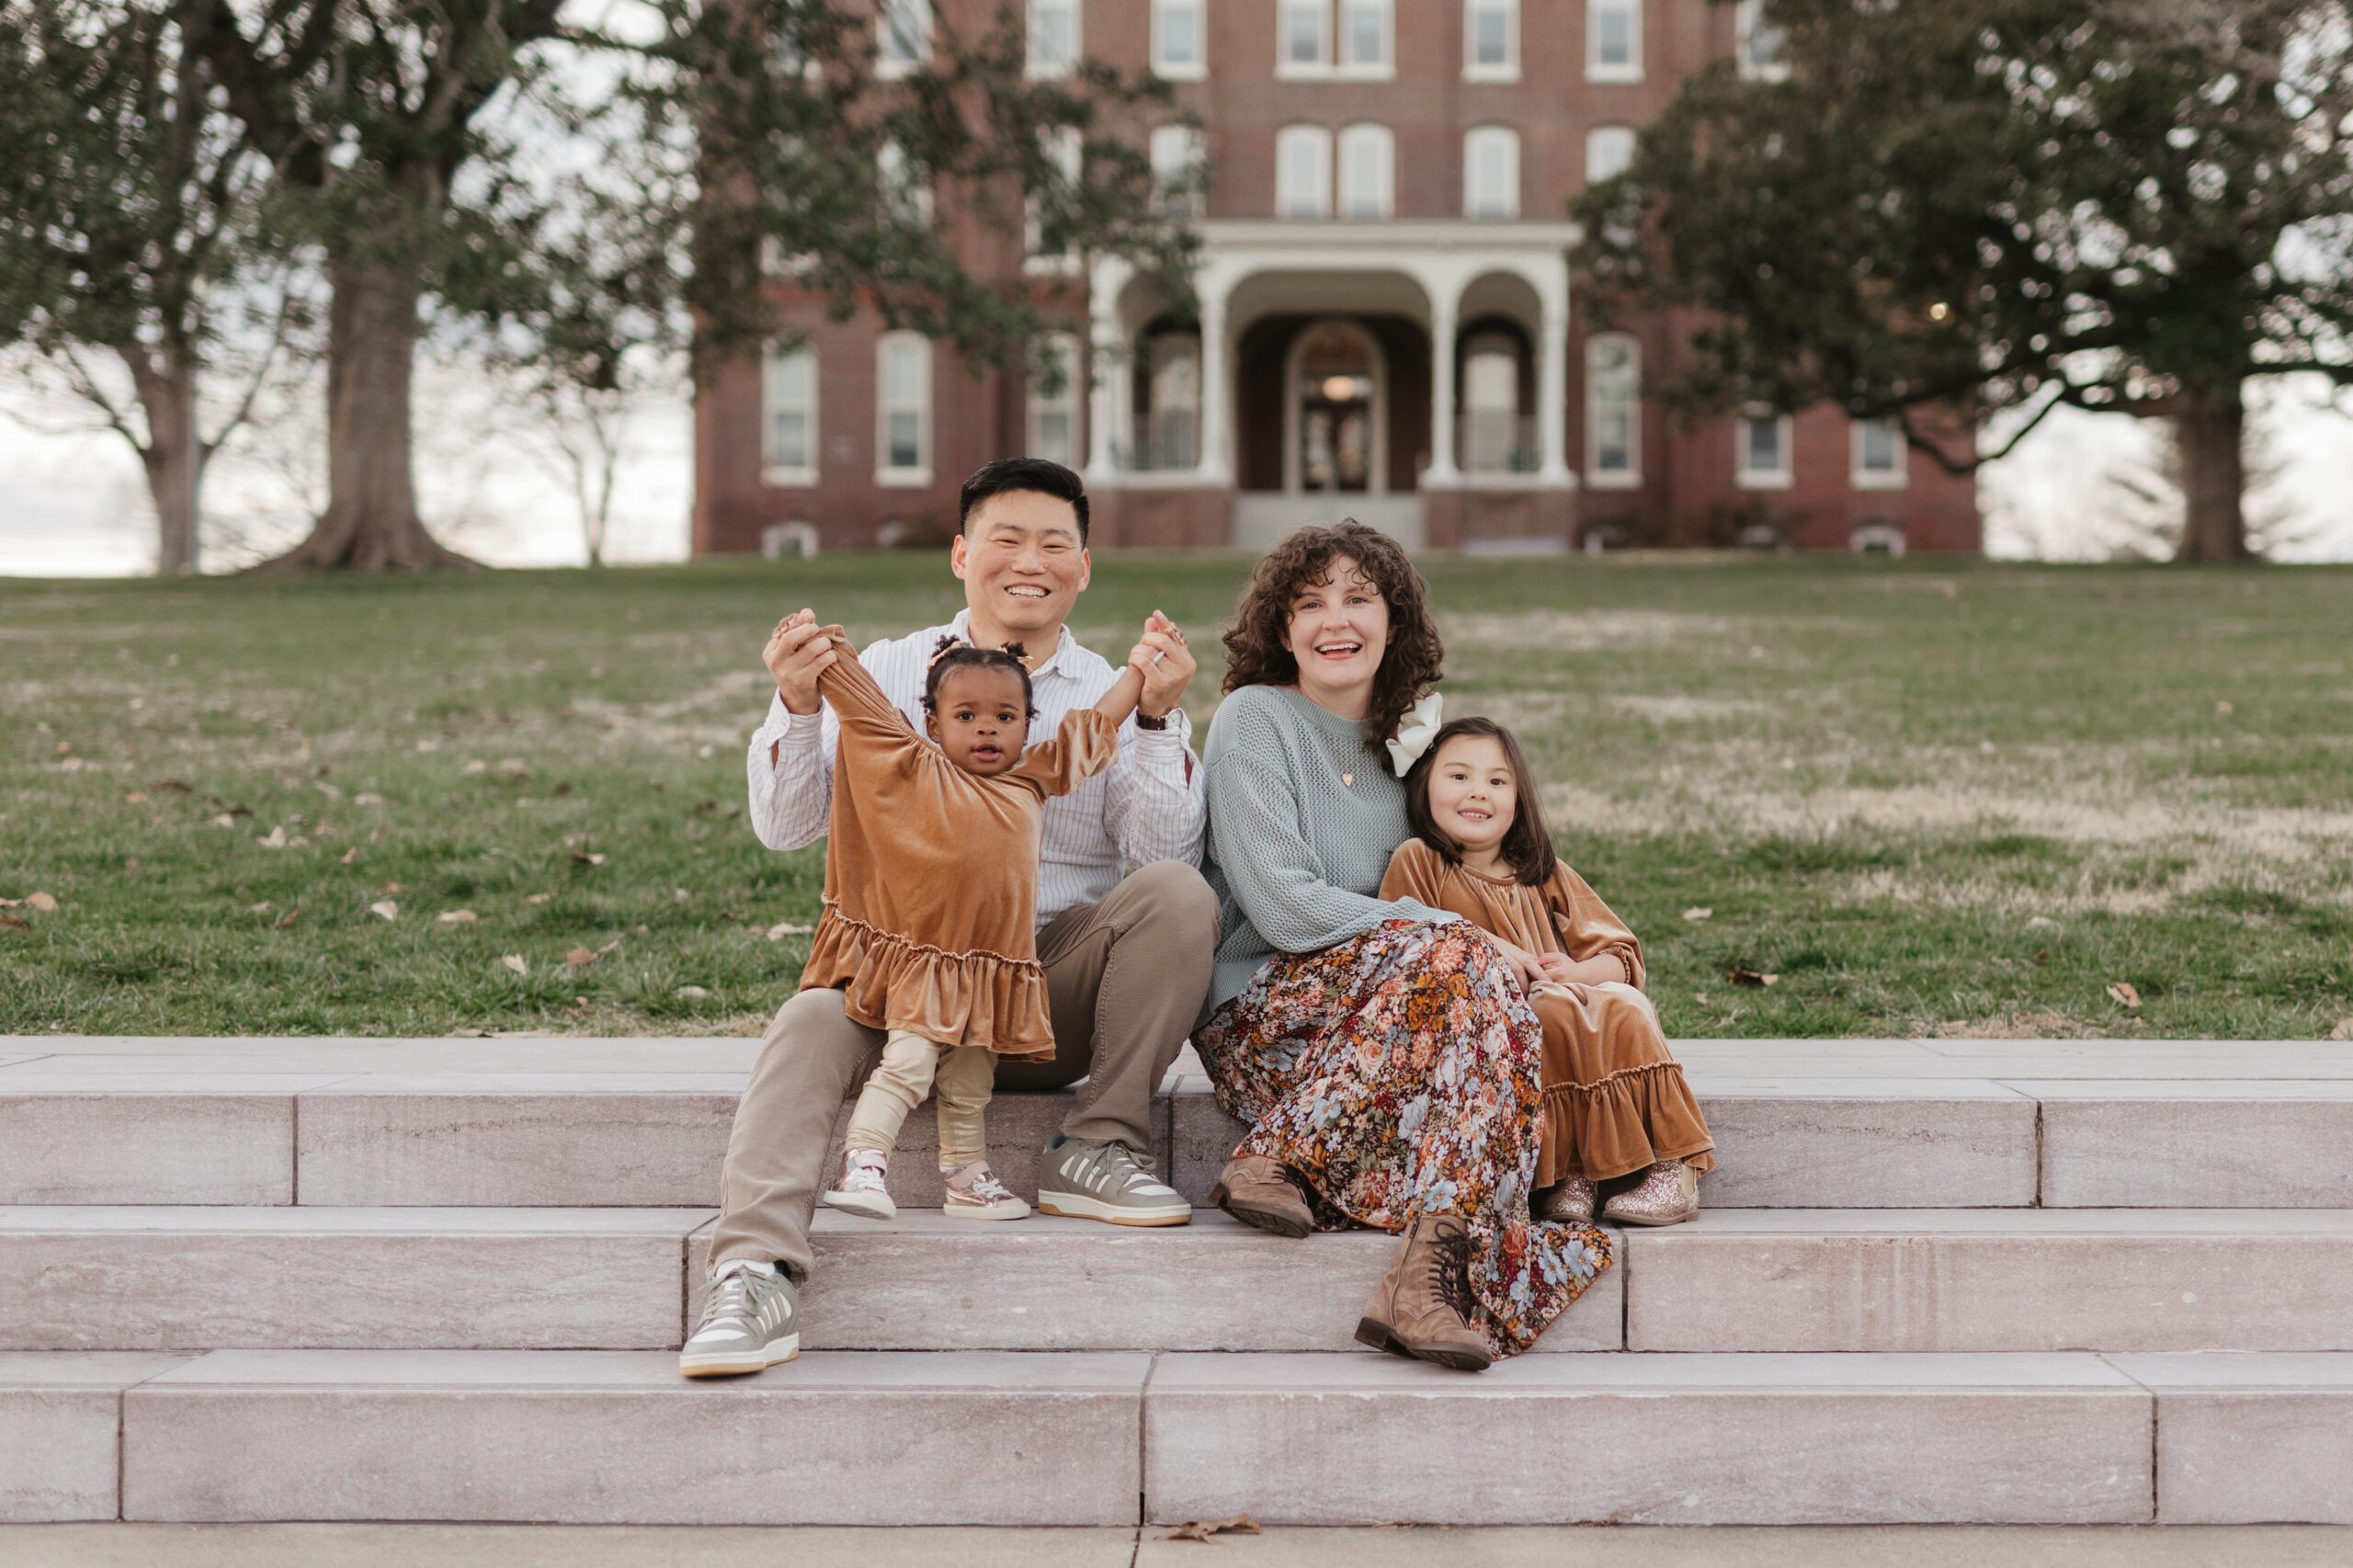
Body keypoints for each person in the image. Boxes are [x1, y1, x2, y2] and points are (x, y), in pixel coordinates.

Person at [682, 459, 1215, 1381]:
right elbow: (784, 825)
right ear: (962, 553)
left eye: (1054, 543)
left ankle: (1095, 1147)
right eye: (1006, 538)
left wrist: (1160, 723)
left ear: (1082, 567)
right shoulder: (886, 672)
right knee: (809, 1016)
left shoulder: (1107, 689)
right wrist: (796, 704)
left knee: (1177, 894)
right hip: (897, 980)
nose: (1029, 561)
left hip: (1038, 988)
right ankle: (754, 1273)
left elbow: (1159, 847)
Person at [1193, 520, 1610, 1373]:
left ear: (1395, 622)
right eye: (1309, 605)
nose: (1334, 621)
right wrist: (1459, 934)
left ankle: (1424, 1278)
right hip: (1267, 1024)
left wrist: (1560, 955)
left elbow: (1478, 880)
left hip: (1403, 1028)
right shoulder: (1254, 719)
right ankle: (1298, 1169)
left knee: (1481, 977)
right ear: (1282, 630)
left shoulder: (1414, 755)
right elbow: (1283, 908)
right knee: (1468, 956)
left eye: (1357, 598)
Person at [808, 629, 1155, 1227]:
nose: (987, 728)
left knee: (971, 1082)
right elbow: (862, 707)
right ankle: (864, 1159)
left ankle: (966, 1177)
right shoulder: (914, 765)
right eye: (966, 715)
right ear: (934, 725)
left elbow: (1094, 728)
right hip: (928, 968)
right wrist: (824, 648)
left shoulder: (1032, 780)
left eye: (1005, 715)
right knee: (912, 1063)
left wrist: (1140, 672)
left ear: (1027, 727)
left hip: (991, 975)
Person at [1381, 716, 1715, 1227]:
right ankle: (1570, 1170)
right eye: (1459, 777)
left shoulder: (1541, 869)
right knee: (1551, 1010)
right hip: (1495, 1022)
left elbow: (1622, 957)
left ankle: (1674, 1170)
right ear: (1424, 787)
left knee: (1625, 1005)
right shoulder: (1421, 861)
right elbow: (1406, 935)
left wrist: (1577, 971)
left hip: (1563, 997)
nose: (1479, 793)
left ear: (1519, 798)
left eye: (1497, 781)